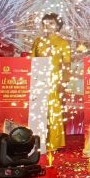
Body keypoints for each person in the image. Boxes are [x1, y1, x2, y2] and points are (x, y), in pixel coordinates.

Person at [30, 13, 71, 150]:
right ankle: (38, 141)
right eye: (45, 23)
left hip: (55, 80)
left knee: (54, 110)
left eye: (51, 23)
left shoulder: (63, 42)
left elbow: (66, 64)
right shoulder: (37, 41)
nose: (48, 26)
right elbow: (32, 62)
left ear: (58, 25)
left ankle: (54, 143)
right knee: (39, 110)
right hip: (39, 80)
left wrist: (64, 82)